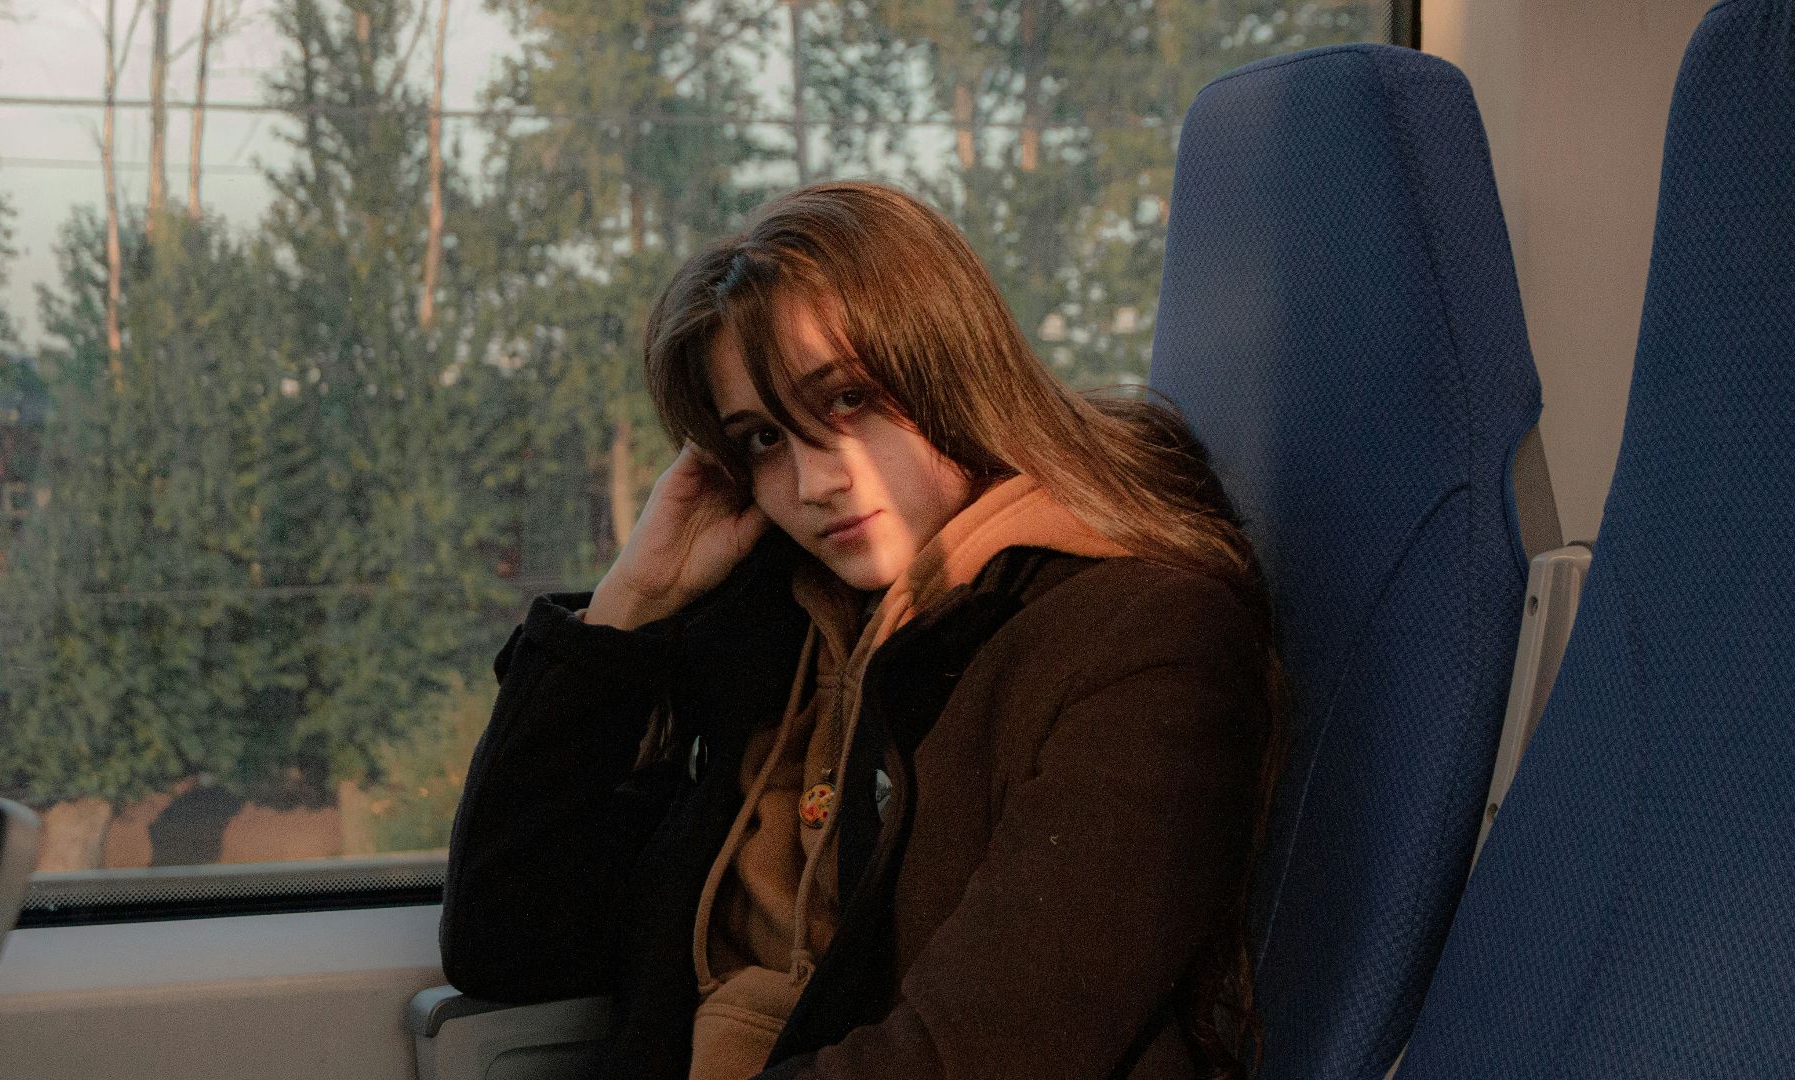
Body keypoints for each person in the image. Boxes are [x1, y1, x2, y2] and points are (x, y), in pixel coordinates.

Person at [440, 181, 1284, 1080]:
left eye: (846, 402)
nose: (813, 482)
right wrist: (628, 606)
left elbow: (972, 1058)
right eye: (762, 438)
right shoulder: (776, 627)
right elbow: (506, 941)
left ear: (950, 369)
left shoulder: (1139, 642)